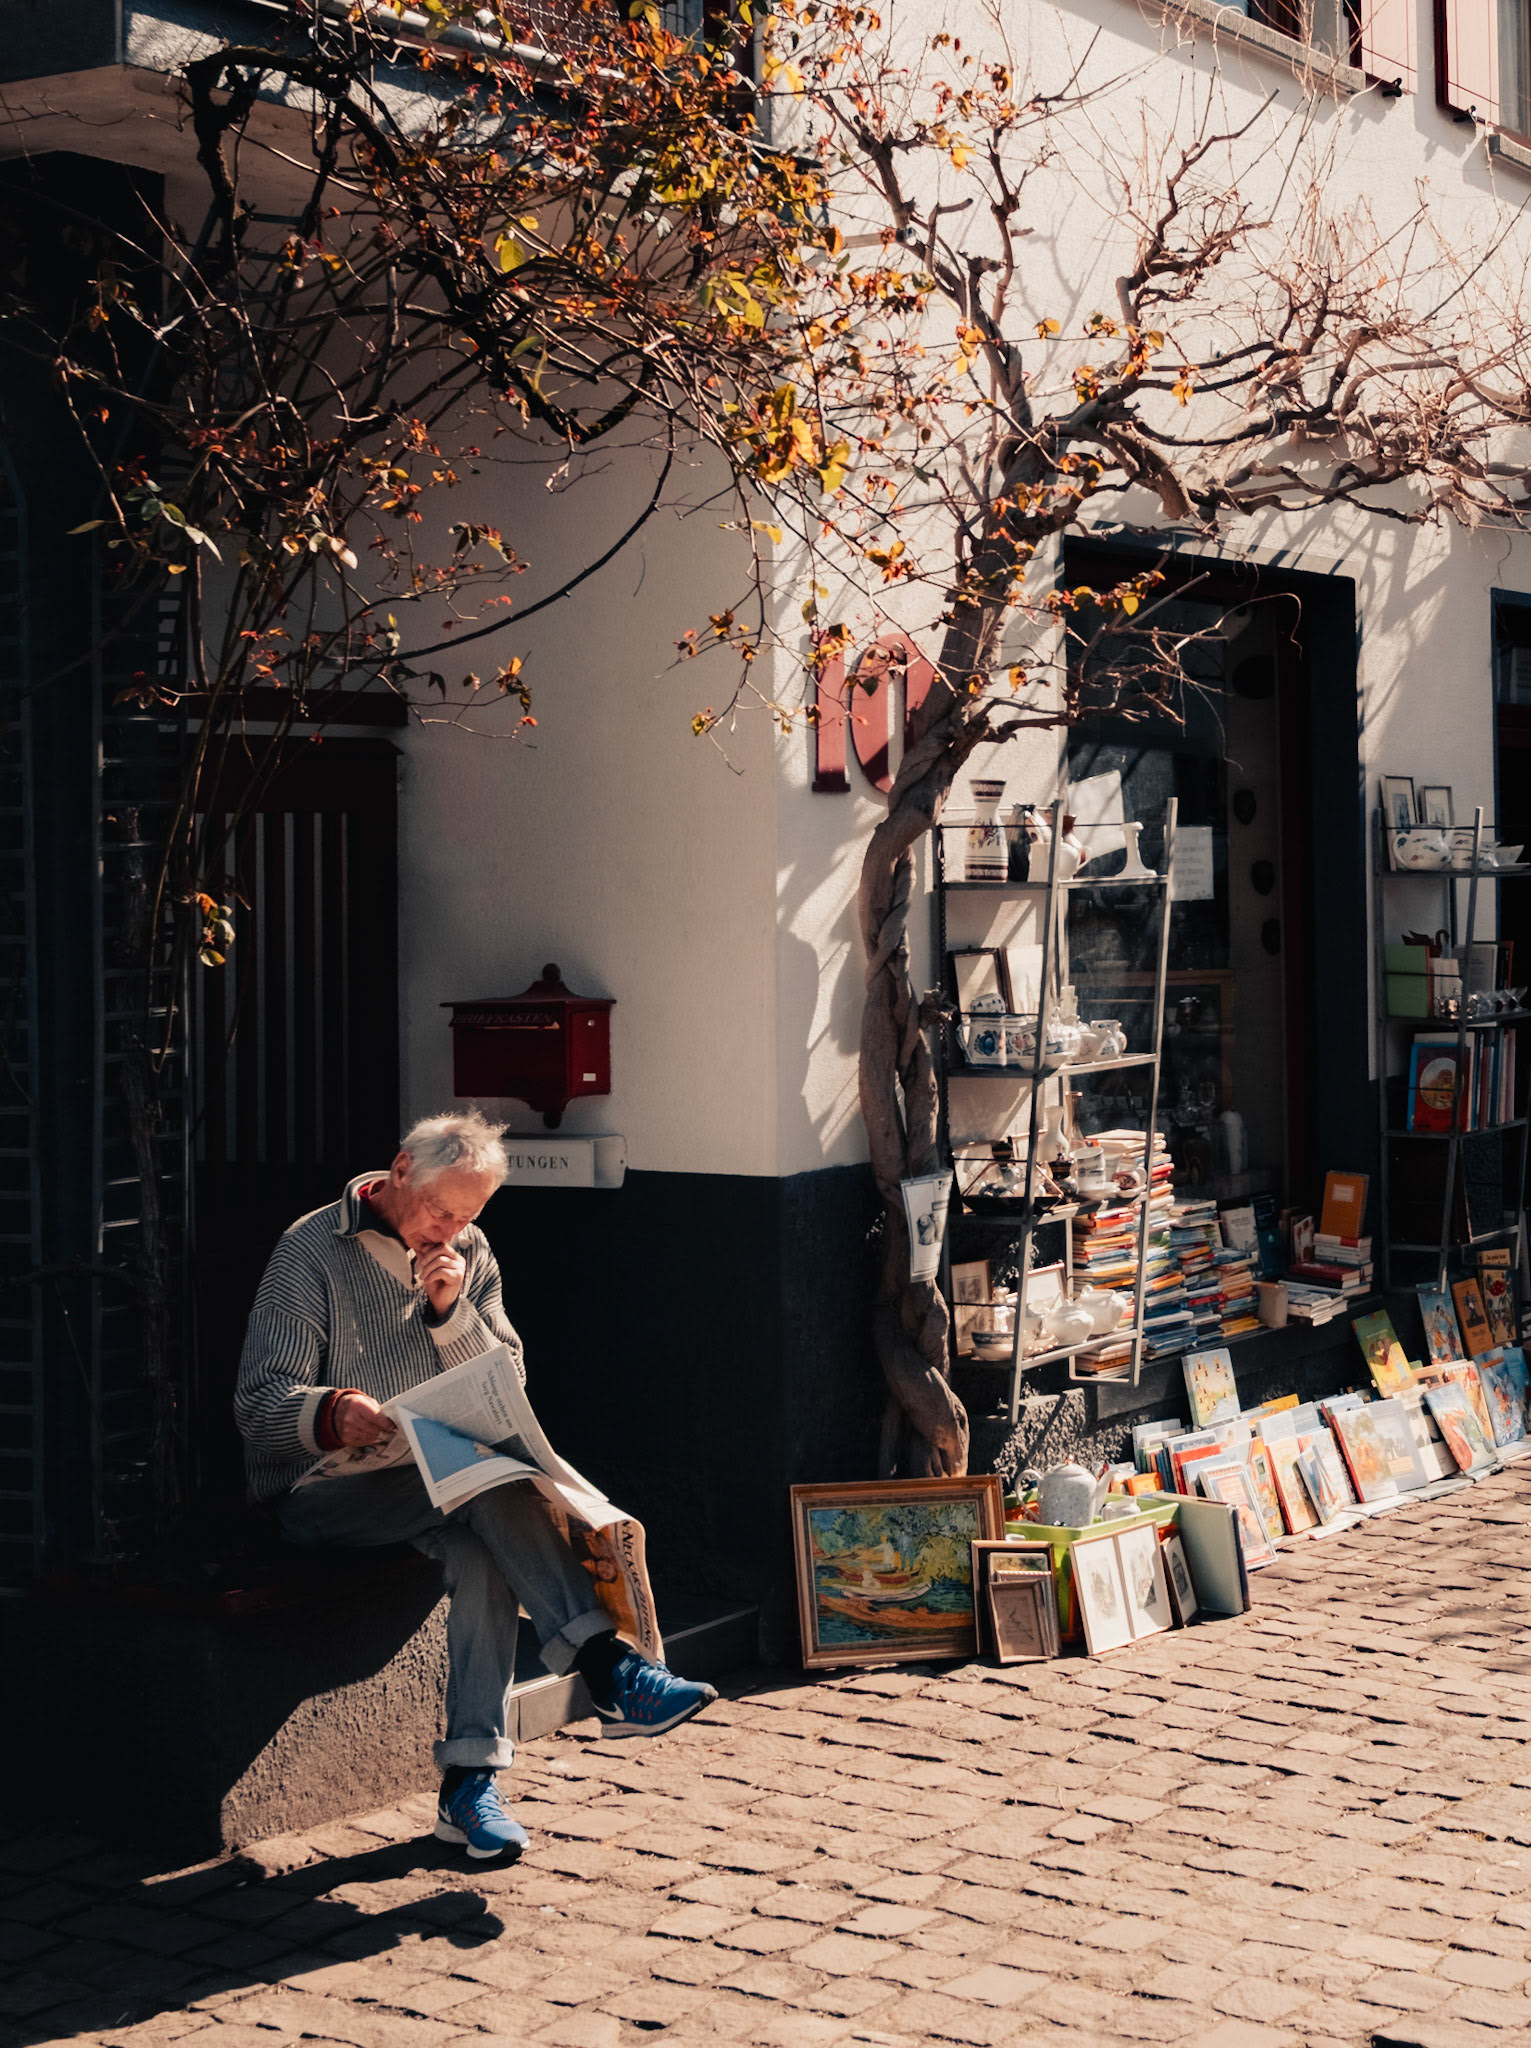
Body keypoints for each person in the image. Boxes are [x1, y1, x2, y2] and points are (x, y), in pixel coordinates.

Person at [234, 1109, 716, 1861]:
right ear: (399, 1173)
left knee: (485, 1548)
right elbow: (258, 1404)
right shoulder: (311, 1251)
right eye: (438, 1209)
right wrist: (331, 1413)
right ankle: (608, 1668)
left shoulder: (469, 1254)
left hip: (433, 1491)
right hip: (319, 1493)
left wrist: (450, 1313)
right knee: (490, 1486)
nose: (447, 1231)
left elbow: (508, 1382)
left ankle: (468, 1787)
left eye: (467, 1216)